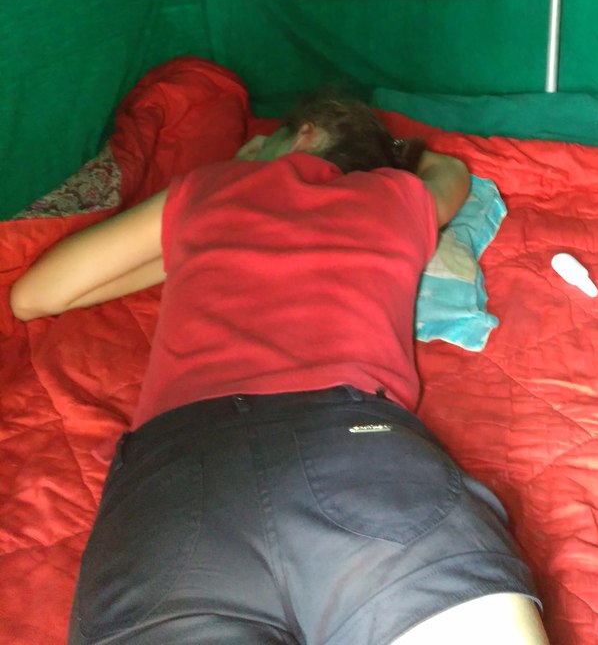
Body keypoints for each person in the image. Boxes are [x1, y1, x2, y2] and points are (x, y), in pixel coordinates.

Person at [11, 92, 550, 645]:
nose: (247, 152)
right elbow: (451, 170)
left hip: (183, 461)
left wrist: (191, 246)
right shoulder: (397, 198)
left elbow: (35, 296)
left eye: (258, 143)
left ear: (306, 133)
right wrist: (402, 156)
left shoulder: (213, 185)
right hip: (360, 442)